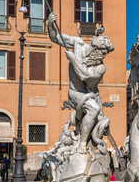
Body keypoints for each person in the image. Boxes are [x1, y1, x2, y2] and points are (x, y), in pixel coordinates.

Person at [48, 12, 115, 153]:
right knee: (93, 109)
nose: (103, 56)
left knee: (97, 115)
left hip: (92, 95)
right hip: (75, 93)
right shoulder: (78, 44)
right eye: (102, 53)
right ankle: (82, 144)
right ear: (95, 49)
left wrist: (73, 58)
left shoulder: (100, 67)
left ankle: (84, 143)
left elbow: (84, 75)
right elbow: (55, 38)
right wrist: (49, 24)